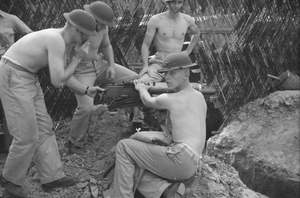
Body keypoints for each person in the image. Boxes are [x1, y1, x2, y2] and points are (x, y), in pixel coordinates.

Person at [0, 9, 97, 198]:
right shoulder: (56, 40)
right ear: (78, 30)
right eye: (88, 34)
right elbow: (58, 82)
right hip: (13, 75)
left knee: (44, 128)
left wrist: (85, 89)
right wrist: (77, 59)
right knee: (26, 135)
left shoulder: (62, 40)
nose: (89, 39)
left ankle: (52, 177)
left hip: (27, 76)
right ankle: (10, 181)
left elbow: (61, 75)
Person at [105, 53, 207, 198]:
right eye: (165, 73)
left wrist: (142, 88)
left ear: (186, 73)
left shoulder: (172, 99)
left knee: (124, 146)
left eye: (173, 73)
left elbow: (147, 101)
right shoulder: (199, 96)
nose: (167, 77)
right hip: (193, 163)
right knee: (133, 168)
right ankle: (166, 190)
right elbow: (173, 133)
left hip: (180, 159)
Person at [65, 1, 139, 155]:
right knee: (86, 107)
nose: (104, 26)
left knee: (134, 78)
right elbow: (63, 70)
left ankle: (136, 122)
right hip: (80, 71)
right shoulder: (75, 30)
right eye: (102, 23)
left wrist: (111, 65)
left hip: (99, 64)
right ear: (93, 19)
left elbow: (106, 46)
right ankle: (75, 142)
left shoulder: (103, 28)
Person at [132, 0, 200, 127]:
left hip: (177, 63)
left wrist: (187, 51)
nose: (176, 5)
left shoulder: (187, 20)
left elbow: (196, 33)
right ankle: (139, 122)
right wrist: (145, 66)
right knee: (141, 83)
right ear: (167, 3)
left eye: (179, 2)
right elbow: (146, 45)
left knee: (185, 91)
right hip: (160, 62)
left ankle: (178, 124)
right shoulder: (156, 20)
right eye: (173, 2)